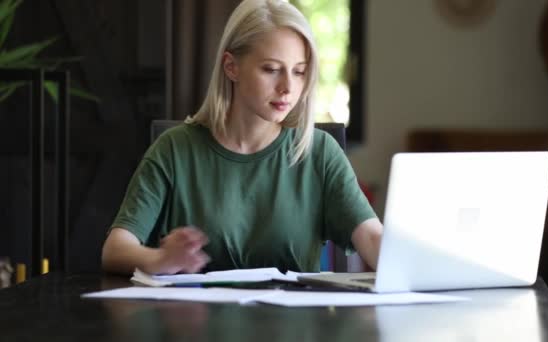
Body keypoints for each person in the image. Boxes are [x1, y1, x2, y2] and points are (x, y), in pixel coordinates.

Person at [101, 0, 383, 275]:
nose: (288, 87)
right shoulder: (174, 150)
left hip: (294, 321)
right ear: (231, 67)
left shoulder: (320, 152)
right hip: (193, 321)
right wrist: (160, 259)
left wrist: (418, 263)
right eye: (271, 69)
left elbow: (371, 237)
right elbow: (115, 250)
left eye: (299, 72)